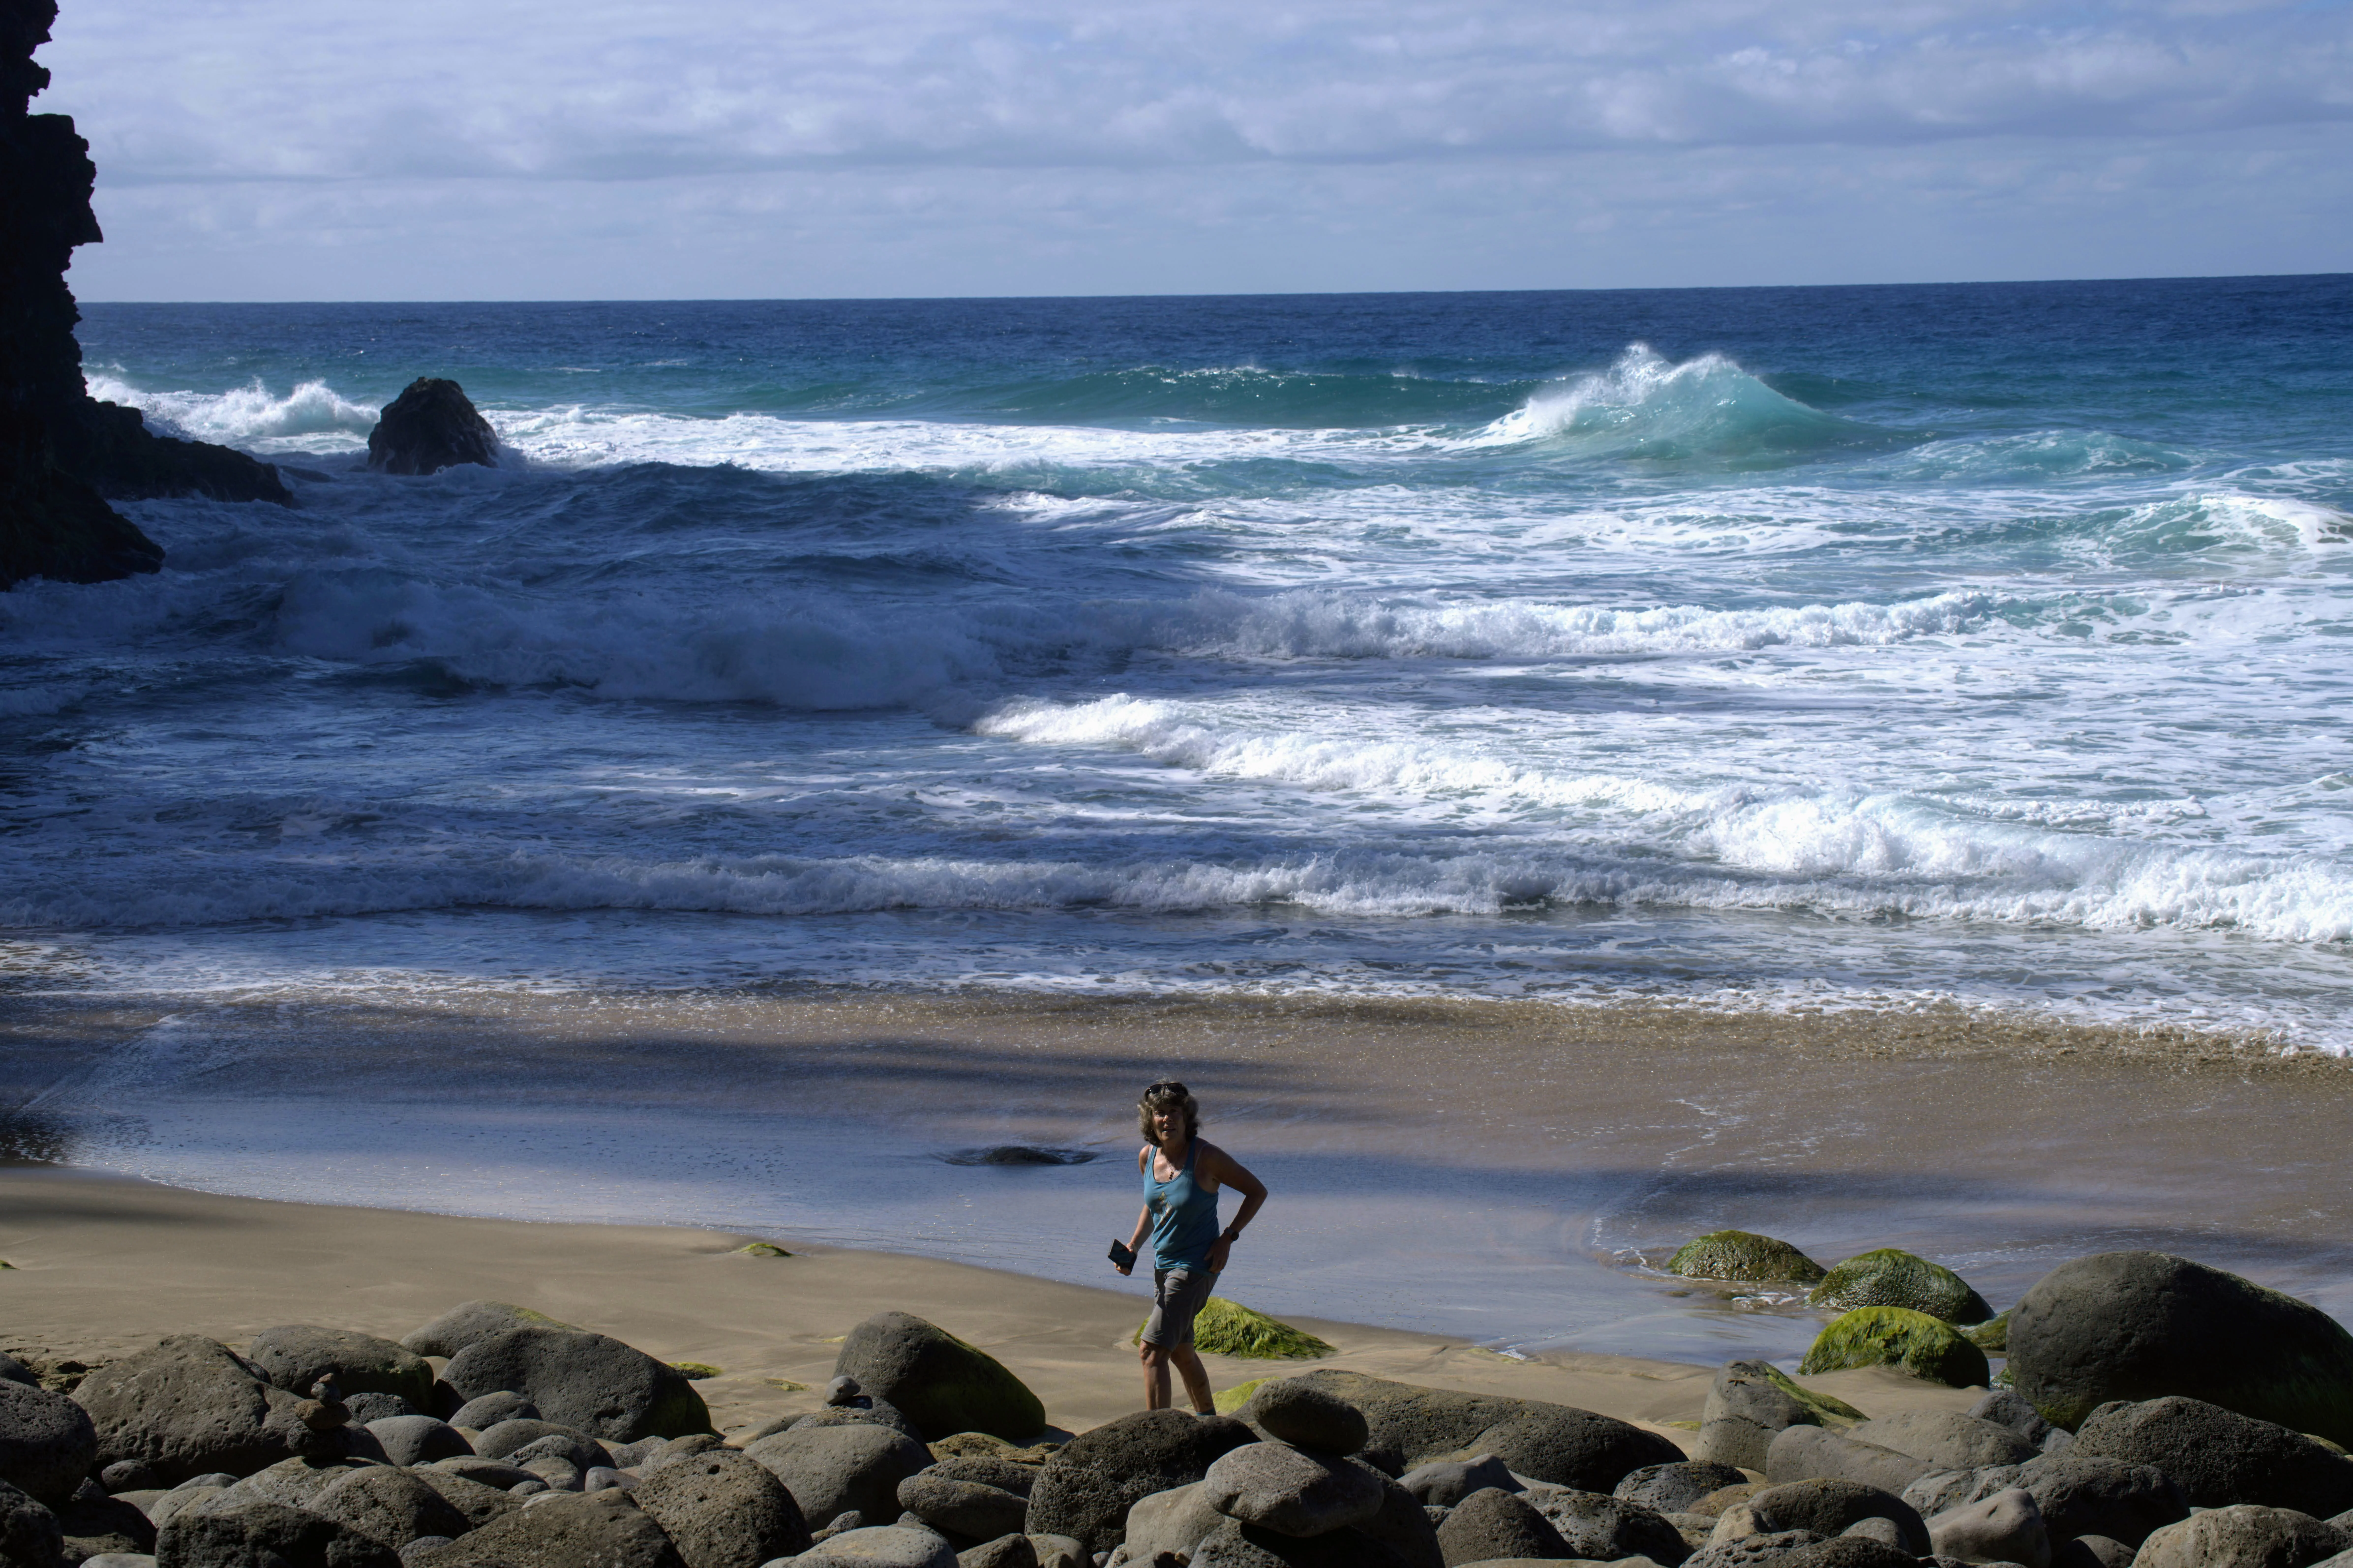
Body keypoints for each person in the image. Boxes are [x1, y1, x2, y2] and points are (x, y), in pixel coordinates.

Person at [1113, 1078, 1267, 1414]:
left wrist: (1229, 1237)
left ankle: (1157, 1434)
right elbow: (1155, 1207)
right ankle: (1209, 1422)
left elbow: (1257, 1191)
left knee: (1151, 1352)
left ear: (1187, 1118)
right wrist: (1133, 1247)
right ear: (1150, 1119)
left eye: (1174, 1113)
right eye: (1160, 1113)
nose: (1167, 1119)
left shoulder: (1207, 1157)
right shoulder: (1147, 1157)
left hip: (1197, 1267)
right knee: (1182, 1353)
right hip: (1164, 1265)